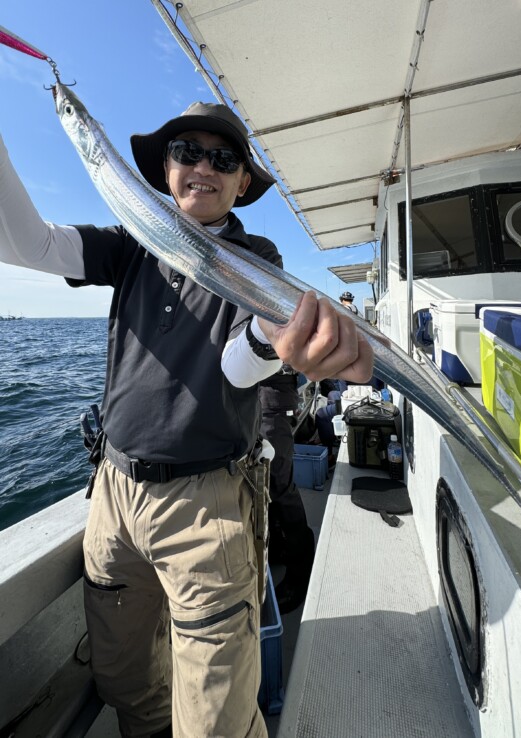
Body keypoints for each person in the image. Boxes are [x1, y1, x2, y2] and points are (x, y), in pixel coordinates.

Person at [0, 101, 373, 738]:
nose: (204, 167)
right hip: (113, 497)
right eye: (187, 153)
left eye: (223, 159)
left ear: (243, 182)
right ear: (165, 169)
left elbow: (233, 371)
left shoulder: (257, 256)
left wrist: (277, 345)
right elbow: (28, 244)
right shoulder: (131, 243)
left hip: (207, 508)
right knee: (124, 677)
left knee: (215, 719)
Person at [259, 368, 315, 615]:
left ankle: (299, 571)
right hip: (247, 393)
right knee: (257, 480)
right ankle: (276, 547)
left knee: (279, 484)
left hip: (271, 396)